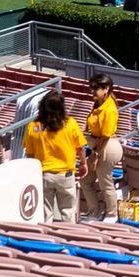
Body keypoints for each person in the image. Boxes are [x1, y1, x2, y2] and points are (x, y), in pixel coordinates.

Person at [24, 92, 86, 222]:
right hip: (66, 175)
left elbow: (29, 154)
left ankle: (46, 239)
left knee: (46, 214)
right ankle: (69, 239)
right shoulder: (71, 124)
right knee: (68, 214)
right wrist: (84, 164)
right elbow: (80, 148)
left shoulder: (33, 127)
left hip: (44, 174)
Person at [80, 76, 122, 221]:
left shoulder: (109, 109)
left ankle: (112, 214)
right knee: (85, 181)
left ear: (106, 89)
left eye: (96, 88)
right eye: (91, 87)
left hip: (106, 147)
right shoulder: (98, 104)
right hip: (97, 146)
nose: (92, 91)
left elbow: (105, 136)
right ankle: (95, 211)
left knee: (105, 182)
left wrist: (94, 156)